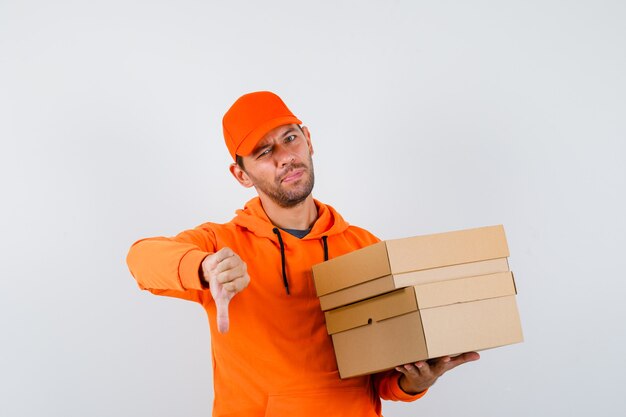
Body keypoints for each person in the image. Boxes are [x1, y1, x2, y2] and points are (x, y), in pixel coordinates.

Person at [126, 91, 479, 416]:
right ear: (241, 175)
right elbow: (140, 259)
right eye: (264, 152)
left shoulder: (364, 247)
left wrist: (414, 383)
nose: (285, 157)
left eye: (290, 138)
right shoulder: (222, 246)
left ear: (308, 140)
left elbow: (381, 377)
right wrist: (203, 267)